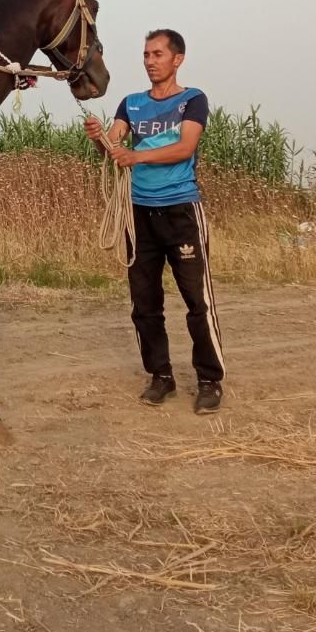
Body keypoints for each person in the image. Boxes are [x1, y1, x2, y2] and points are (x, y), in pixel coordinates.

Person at [84, 28, 224, 414]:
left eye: (158, 54)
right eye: (146, 54)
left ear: (177, 59)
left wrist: (137, 157)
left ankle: (210, 380)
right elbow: (114, 149)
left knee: (198, 301)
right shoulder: (131, 104)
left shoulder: (192, 100)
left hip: (181, 211)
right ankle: (161, 376)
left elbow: (185, 148)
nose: (150, 61)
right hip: (138, 215)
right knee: (144, 304)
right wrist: (100, 137)